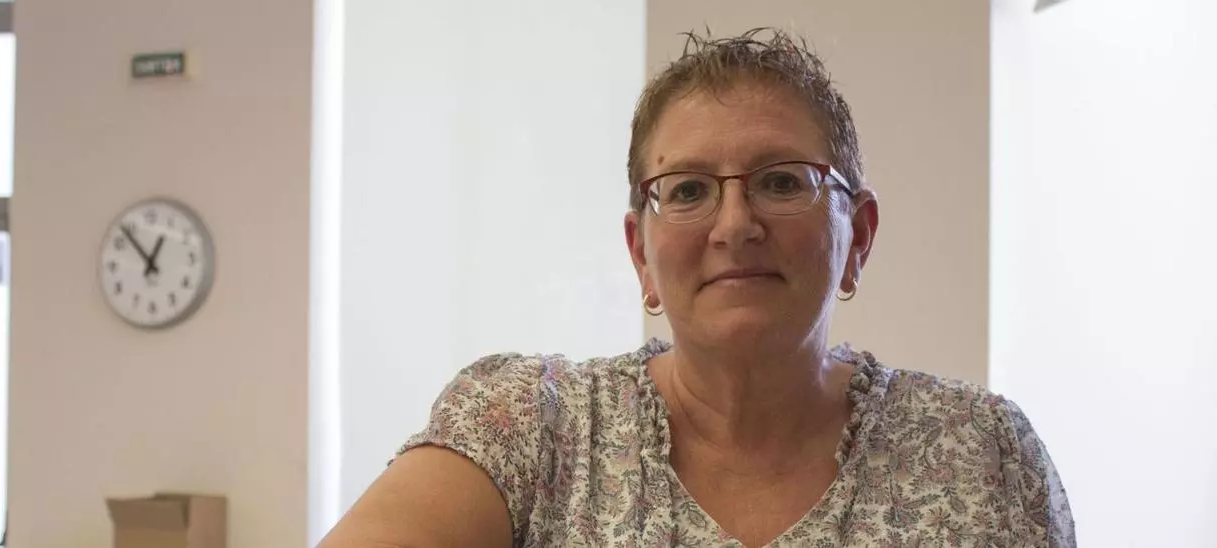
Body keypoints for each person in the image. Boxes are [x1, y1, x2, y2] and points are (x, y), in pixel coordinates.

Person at [319, 28, 1075, 548]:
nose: (735, 224)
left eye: (782, 181)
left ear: (859, 236)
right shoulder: (530, 430)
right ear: (641, 255)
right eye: (686, 190)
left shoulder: (984, 453)